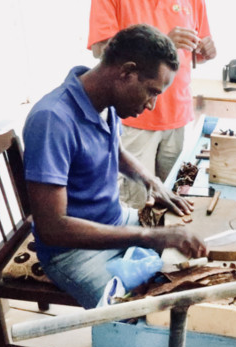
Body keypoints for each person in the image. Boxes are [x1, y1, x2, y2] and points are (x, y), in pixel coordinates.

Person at [23, 24, 207, 347]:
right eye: (152, 91)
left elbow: (113, 147)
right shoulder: (52, 120)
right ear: (125, 72)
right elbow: (54, 228)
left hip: (110, 222)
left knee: (185, 269)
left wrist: (151, 181)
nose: (152, 104)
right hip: (71, 252)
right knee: (134, 323)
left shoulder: (99, 99)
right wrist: (148, 234)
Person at [88, 0, 217, 209]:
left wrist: (206, 51)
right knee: (135, 204)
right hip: (133, 118)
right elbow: (101, 50)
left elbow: (194, 54)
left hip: (178, 116)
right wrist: (162, 43)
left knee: (177, 201)